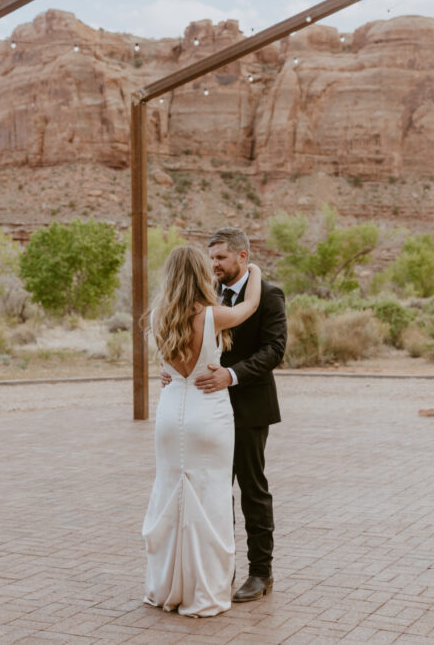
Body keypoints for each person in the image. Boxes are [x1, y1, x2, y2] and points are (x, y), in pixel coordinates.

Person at [163, 227, 288, 604]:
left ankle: (261, 573)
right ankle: (221, 568)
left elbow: (275, 350)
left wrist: (231, 376)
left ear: (242, 257)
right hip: (206, 412)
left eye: (220, 258)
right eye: (210, 257)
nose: (213, 264)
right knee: (214, 492)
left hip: (249, 407)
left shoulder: (268, 294)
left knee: (252, 489)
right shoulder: (205, 297)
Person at [142, 245, 262, 617]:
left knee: (170, 497)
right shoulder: (212, 316)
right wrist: (253, 270)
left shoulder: (158, 315)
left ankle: (166, 587)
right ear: (199, 274)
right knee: (209, 501)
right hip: (207, 413)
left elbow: (166, 367)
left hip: (169, 412)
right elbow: (250, 307)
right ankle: (204, 591)